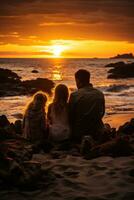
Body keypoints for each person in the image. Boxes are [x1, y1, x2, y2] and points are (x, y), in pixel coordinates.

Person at [69, 69, 105, 143]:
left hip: (79, 133)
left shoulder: (74, 95)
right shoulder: (99, 93)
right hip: (96, 131)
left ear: (78, 80)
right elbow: (102, 113)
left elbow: (70, 116)